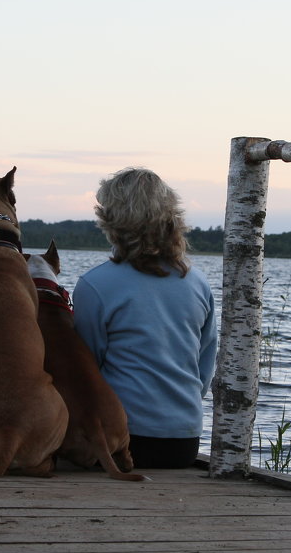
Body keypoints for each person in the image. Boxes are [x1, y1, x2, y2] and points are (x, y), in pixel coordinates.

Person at [72, 167, 218, 468]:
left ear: (110, 219)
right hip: (183, 443)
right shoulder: (197, 283)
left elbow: (87, 373)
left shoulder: (95, 285)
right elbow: (204, 370)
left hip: (122, 442)